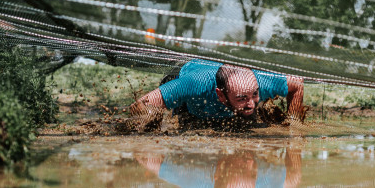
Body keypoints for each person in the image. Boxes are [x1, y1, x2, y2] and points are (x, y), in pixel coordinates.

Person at [130, 59, 305, 123]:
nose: (251, 103)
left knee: (248, 119)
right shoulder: (193, 84)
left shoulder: (262, 82)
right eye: (242, 98)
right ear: (220, 94)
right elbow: (140, 105)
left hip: (227, 79)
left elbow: (297, 83)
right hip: (187, 73)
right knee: (187, 122)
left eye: (255, 95)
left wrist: (294, 126)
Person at [136, 148, 302, 188]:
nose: (251, 162)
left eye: (245, 168)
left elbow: (144, 157)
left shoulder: (192, 177)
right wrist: (294, 149)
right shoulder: (263, 181)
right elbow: (292, 181)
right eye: (245, 166)